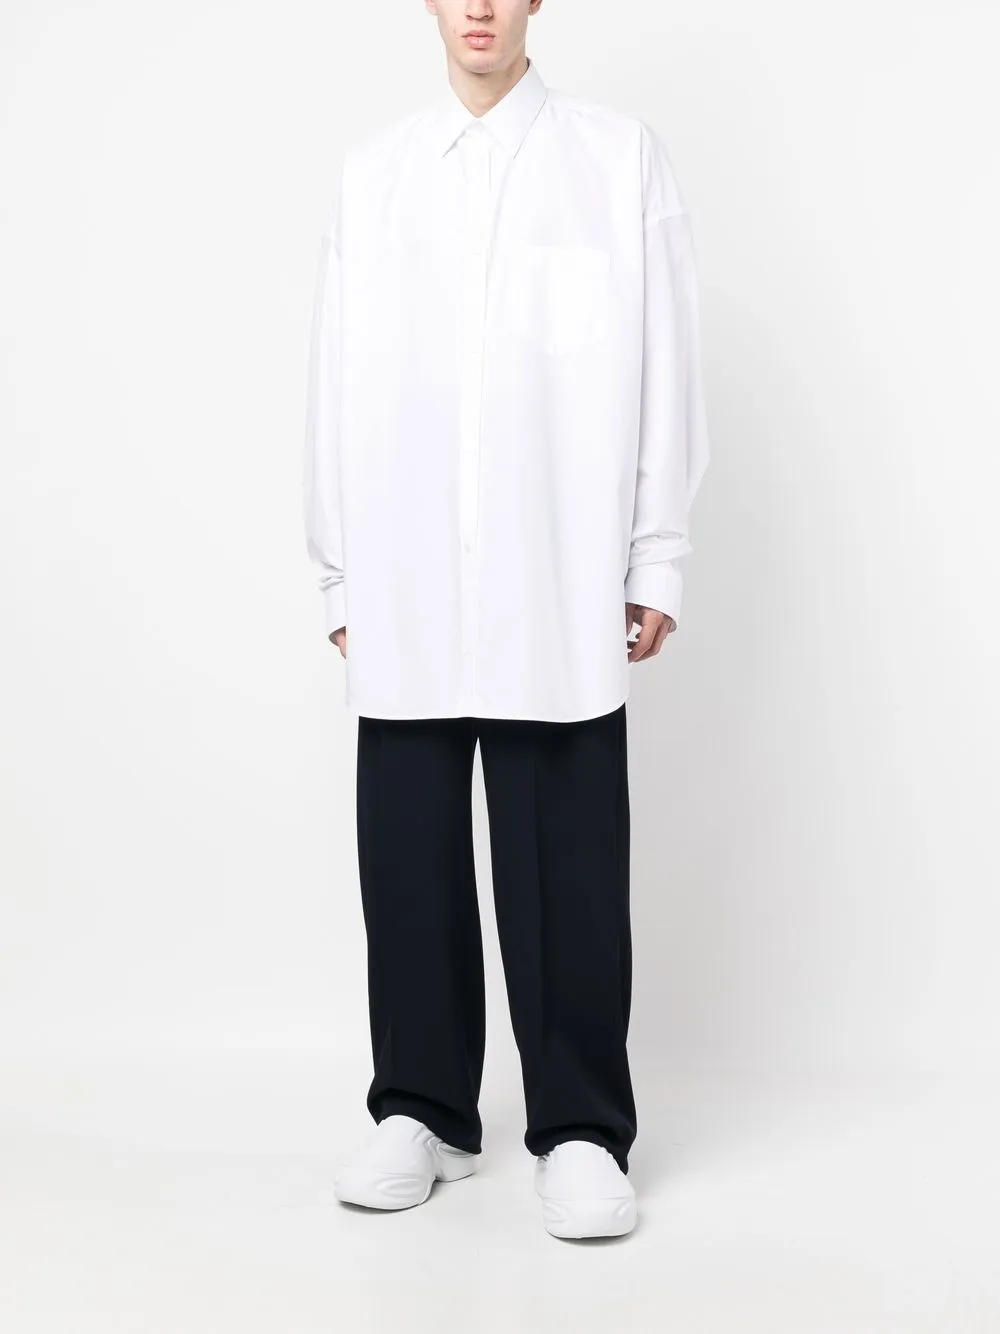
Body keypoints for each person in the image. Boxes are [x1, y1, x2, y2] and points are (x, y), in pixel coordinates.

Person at [303, 0, 709, 1240]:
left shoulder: (616, 159)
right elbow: (334, 374)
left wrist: (655, 551)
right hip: (409, 565)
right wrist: (340, 570)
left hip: (558, 566)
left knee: (565, 853)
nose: (478, 5)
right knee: (407, 850)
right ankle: (420, 1109)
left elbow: (665, 359)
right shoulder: (373, 175)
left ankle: (580, 1124)